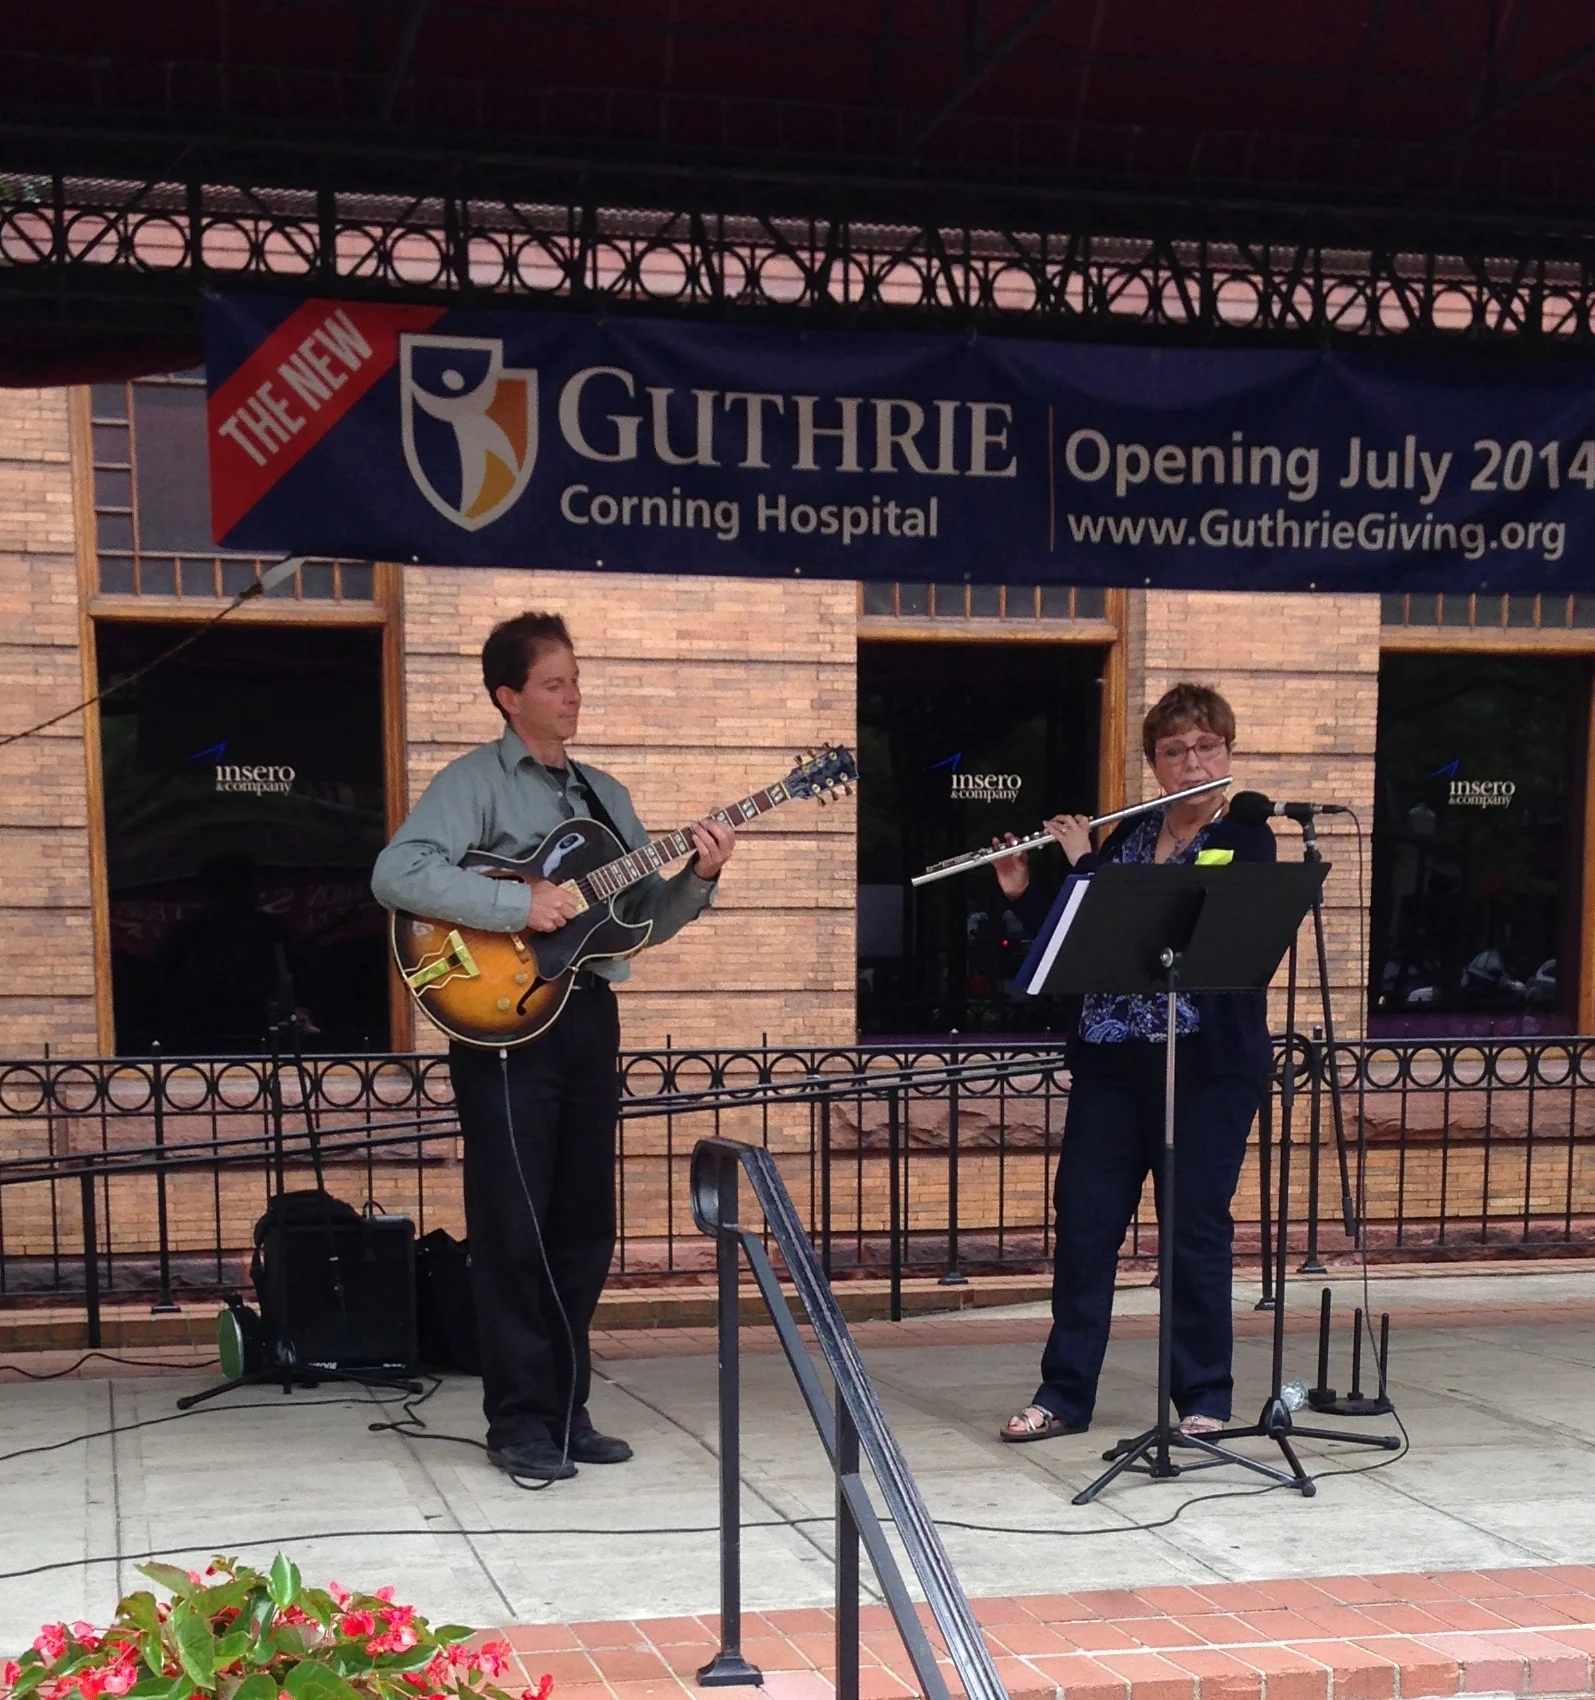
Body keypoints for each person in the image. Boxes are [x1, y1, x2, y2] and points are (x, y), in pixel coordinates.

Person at [371, 612, 734, 1481]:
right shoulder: (474, 782)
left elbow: (636, 923)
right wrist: (517, 905)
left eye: (575, 680)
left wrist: (700, 875)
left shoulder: (603, 795)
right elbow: (396, 872)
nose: (573, 696)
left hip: (585, 1016)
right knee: (513, 1226)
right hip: (502, 1025)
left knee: (583, 1223)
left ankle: (567, 1410)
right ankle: (518, 1423)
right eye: (554, 683)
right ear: (510, 696)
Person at [991, 682, 1274, 1443]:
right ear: (1154, 762)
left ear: (1227, 751)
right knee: (1086, 1226)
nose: (1192, 763)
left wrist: (1083, 863)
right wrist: (1025, 891)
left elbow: (1161, 919)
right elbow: (1079, 941)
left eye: (1206, 747)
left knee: (1193, 1232)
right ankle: (1063, 1394)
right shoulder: (1125, 837)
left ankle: (1203, 1397)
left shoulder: (1247, 836)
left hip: (1204, 1069)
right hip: (1113, 1064)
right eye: (1174, 751)